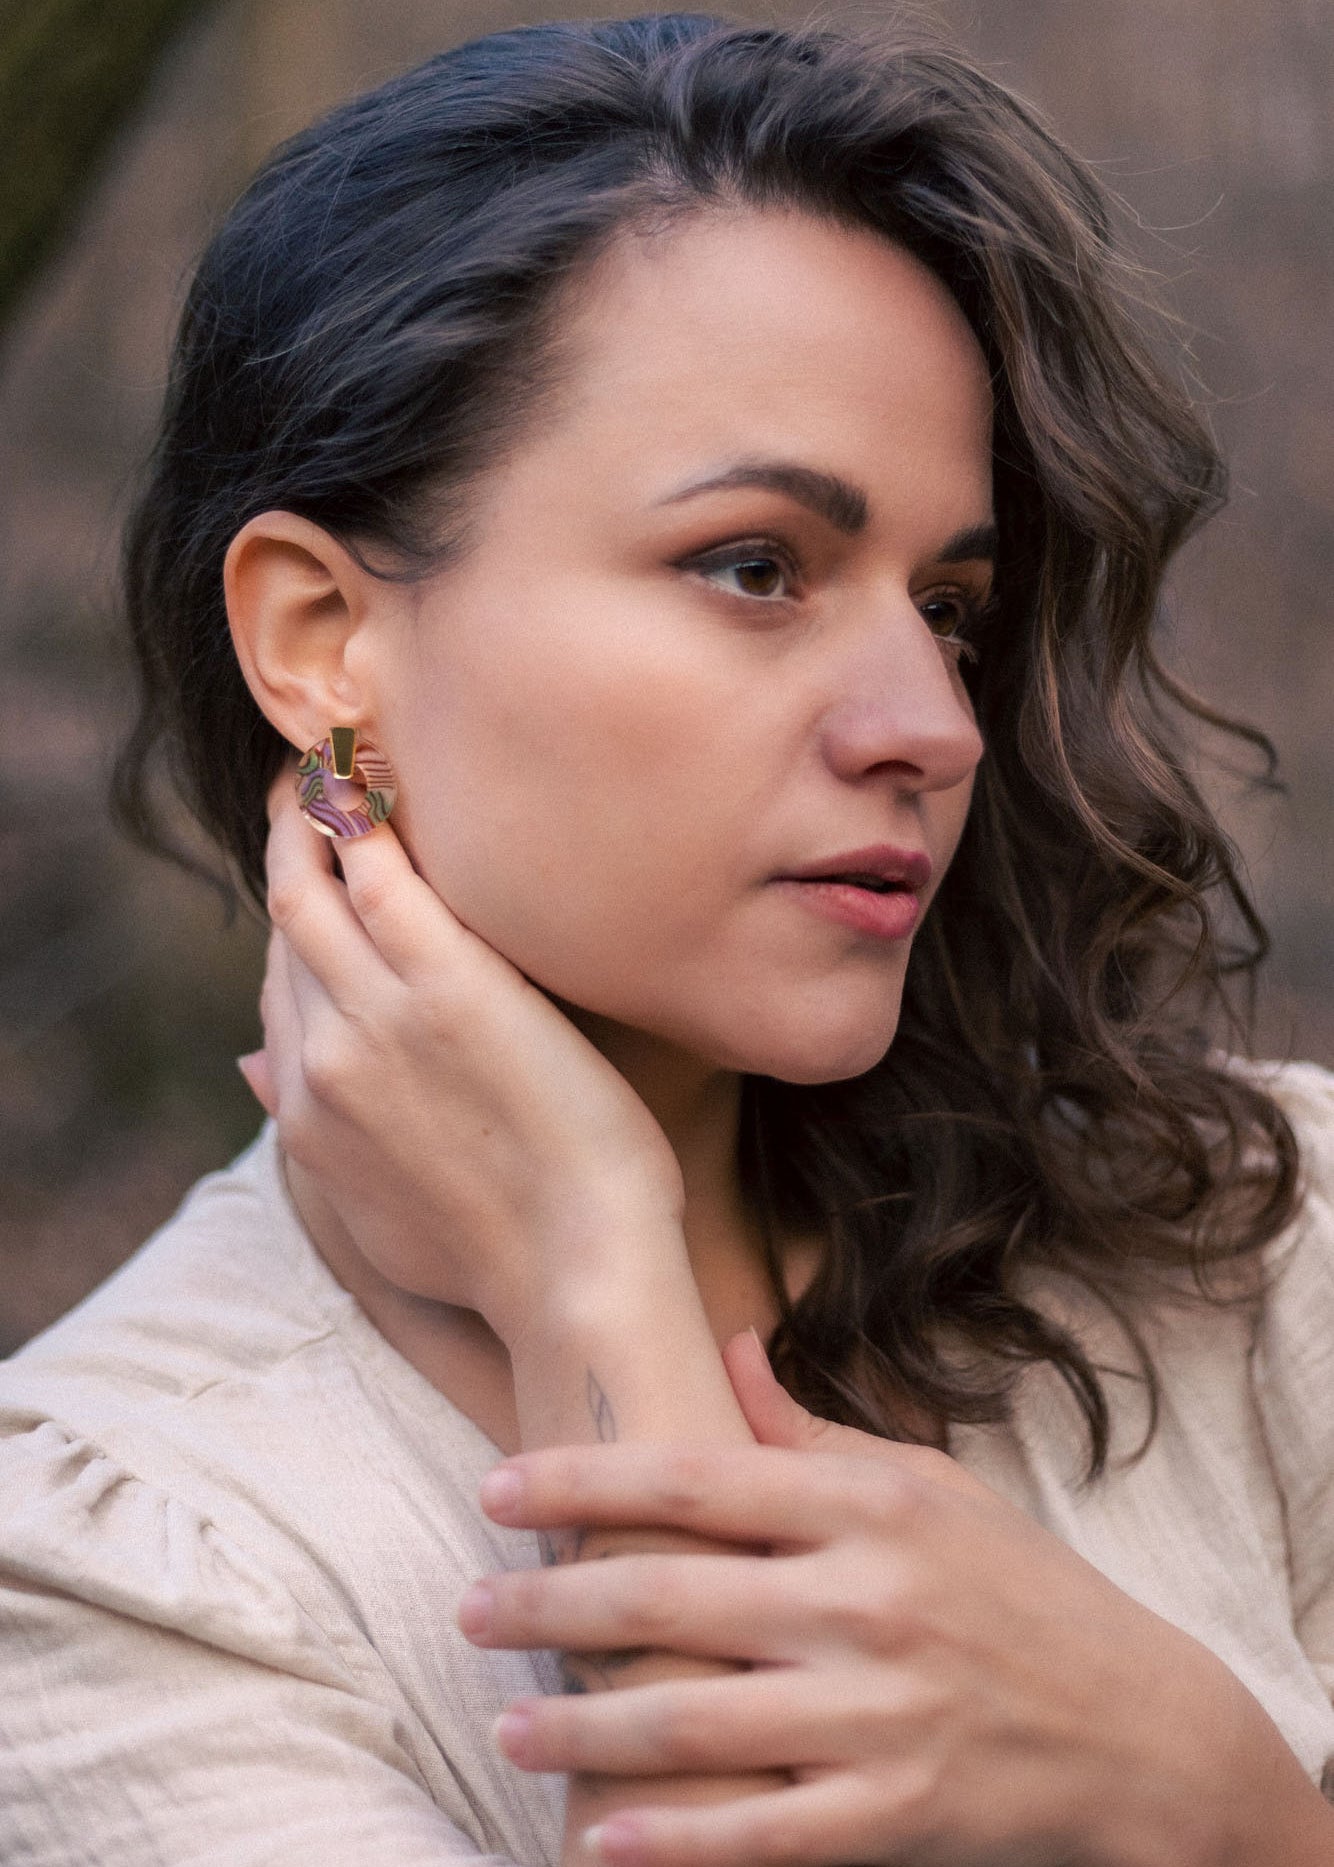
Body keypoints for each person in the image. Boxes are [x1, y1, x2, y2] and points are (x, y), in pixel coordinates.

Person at [1, 11, 1331, 1865]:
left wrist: (1230, 1809)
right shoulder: (119, 1571)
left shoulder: (1267, 1260)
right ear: (317, 633)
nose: (927, 725)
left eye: (949, 604)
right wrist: (586, 1276)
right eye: (756, 566)